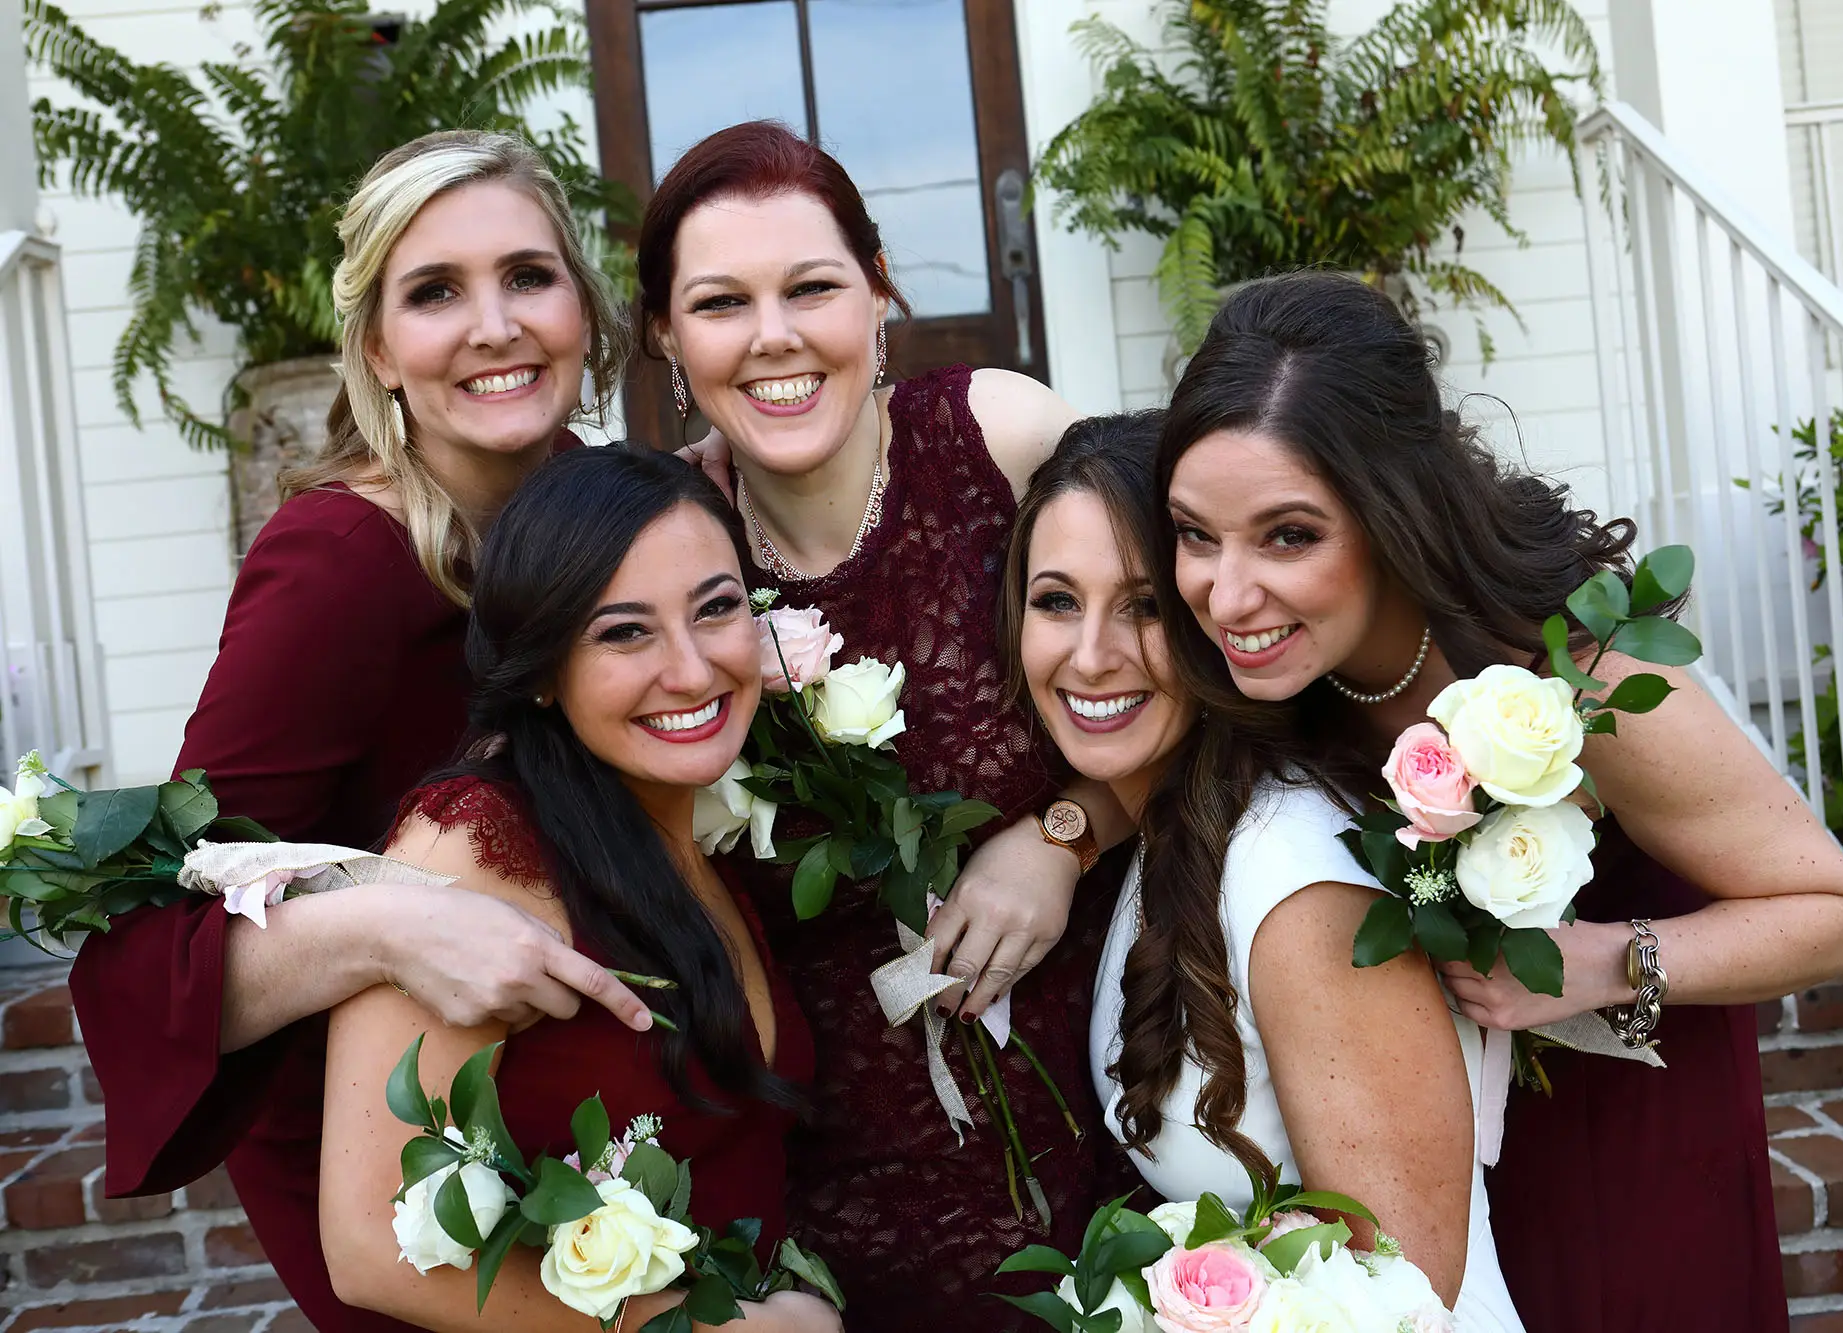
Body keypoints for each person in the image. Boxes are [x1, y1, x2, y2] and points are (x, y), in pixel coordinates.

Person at [1153, 270, 1843, 1331]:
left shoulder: (1577, 676)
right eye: (1194, 533)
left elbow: (1834, 915)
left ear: (1393, 510)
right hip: (1421, 1131)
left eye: (1289, 536)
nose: (1226, 594)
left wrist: (1596, 962)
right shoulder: (1264, 670)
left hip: (1619, 1123)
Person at [69, 131, 646, 1332]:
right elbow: (152, 938)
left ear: (584, 312)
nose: (494, 326)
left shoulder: (600, 509)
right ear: (378, 349)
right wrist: (389, 923)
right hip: (398, 1169)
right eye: (434, 292)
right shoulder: (338, 562)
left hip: (593, 1103)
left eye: (527, 276)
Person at [635, 120, 1134, 1327]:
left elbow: (1197, 683)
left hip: (1117, 1131)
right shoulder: (661, 546)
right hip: (822, 1217)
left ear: (877, 293)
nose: (773, 336)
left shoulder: (1001, 441)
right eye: (720, 303)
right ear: (665, 338)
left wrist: (1067, 833)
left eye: (811, 287)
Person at [998, 412, 1522, 1329]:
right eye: (1057, 601)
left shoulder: (1290, 871)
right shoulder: (1178, 826)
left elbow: (1404, 1291)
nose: (1090, 656)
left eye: (1144, 607)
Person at [322, 447, 837, 1333]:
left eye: (716, 609)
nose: (691, 670)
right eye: (625, 632)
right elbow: (372, 1245)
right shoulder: (472, 844)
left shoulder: (690, 827)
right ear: (543, 666)